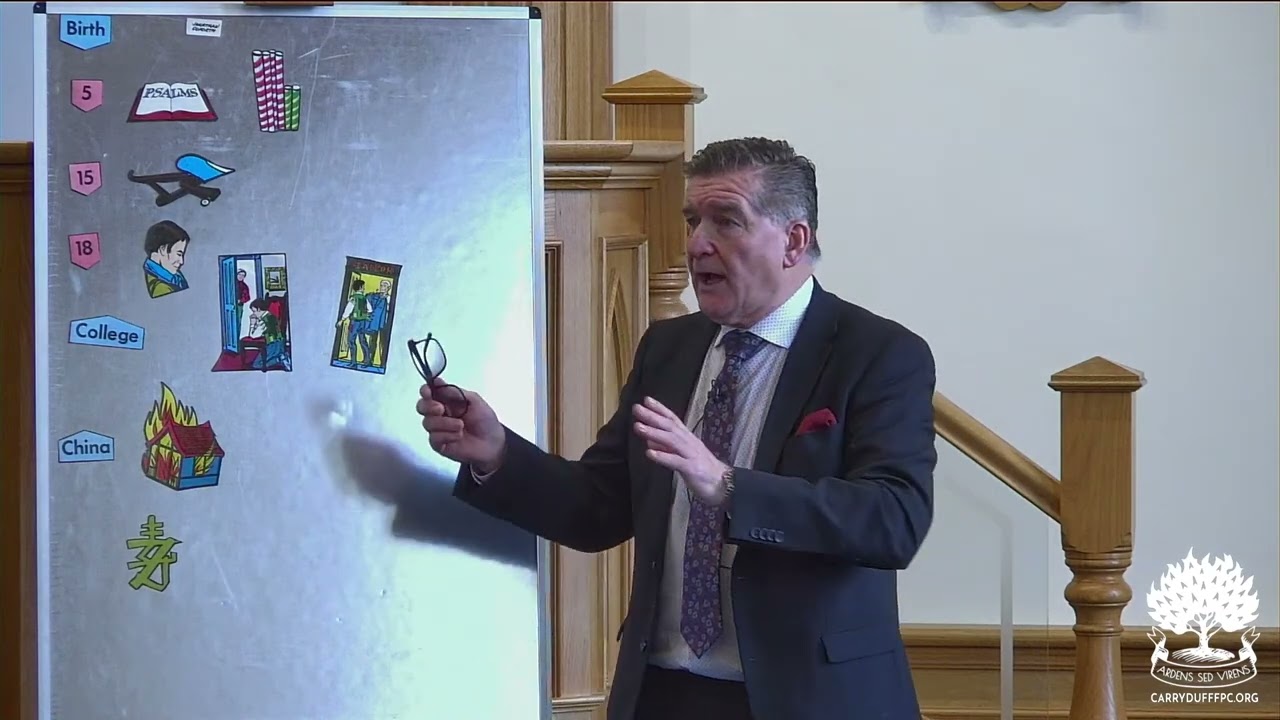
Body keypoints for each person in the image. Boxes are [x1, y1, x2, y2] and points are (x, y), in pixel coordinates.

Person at [417, 137, 937, 720]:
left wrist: (729, 486)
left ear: (793, 241)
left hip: (810, 699)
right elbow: (599, 507)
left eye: (726, 221)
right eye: (693, 221)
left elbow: (895, 520)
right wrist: (496, 454)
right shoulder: (669, 347)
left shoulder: (878, 354)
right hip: (663, 692)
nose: (696, 244)